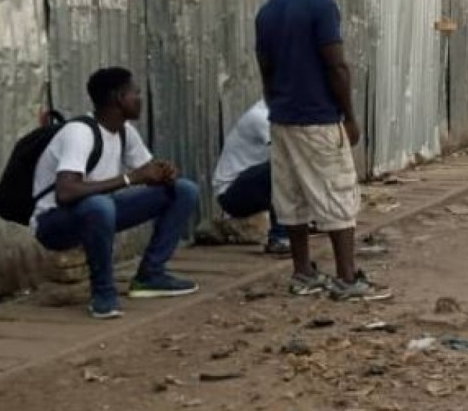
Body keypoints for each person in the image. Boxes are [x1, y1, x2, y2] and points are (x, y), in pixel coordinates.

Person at [255, 0, 384, 301]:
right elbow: (336, 65)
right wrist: (350, 116)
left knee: (291, 196)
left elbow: (264, 66)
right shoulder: (321, 5)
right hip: (319, 117)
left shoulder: (267, 12)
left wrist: (275, 102)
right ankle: (346, 277)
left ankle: (303, 273)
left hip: (282, 119)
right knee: (337, 194)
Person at [31, 68, 200, 318]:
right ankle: (103, 294)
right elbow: (65, 193)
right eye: (136, 93)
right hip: (55, 223)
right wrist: (130, 178)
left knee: (184, 190)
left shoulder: (124, 130)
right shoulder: (80, 133)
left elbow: (146, 170)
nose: (140, 98)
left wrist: (163, 173)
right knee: (100, 205)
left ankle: (150, 276)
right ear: (118, 98)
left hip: (99, 213)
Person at [213, 99, 289, 256]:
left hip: (252, 187)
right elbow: (283, 155)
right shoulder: (260, 117)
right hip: (230, 193)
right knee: (281, 166)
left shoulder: (283, 115)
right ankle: (279, 238)